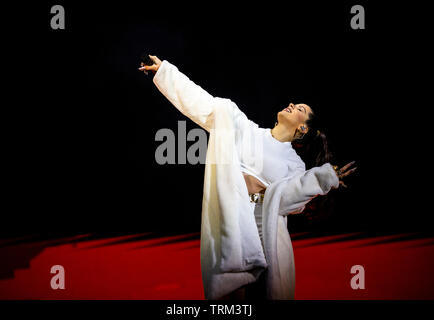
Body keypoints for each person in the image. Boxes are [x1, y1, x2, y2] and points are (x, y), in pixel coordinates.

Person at [139, 55, 356, 300]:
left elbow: (288, 201)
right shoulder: (245, 129)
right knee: (232, 299)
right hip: (233, 227)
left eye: (301, 110)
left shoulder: (294, 165)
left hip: (266, 236)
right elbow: (204, 104)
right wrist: (166, 72)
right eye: (296, 104)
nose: (293, 105)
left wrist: (321, 179)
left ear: (303, 128)